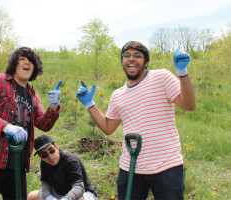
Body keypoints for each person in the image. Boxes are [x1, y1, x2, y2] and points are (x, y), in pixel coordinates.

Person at [76, 41, 196, 200]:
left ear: (146, 62)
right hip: (130, 168)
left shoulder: (162, 77)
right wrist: (89, 104)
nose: (131, 59)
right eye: (127, 55)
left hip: (167, 166)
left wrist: (182, 72)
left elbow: (188, 105)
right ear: (122, 61)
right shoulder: (117, 95)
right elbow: (107, 127)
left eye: (137, 56)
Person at [0, 46, 62, 200]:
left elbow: (44, 124)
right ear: (13, 64)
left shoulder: (32, 94)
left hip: (16, 164)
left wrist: (54, 106)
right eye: (22, 59)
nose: (27, 63)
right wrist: (5, 126)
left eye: (31, 61)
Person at [27, 134, 97, 200]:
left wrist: (67, 198)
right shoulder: (44, 162)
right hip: (58, 192)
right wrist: (49, 197)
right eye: (44, 155)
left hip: (83, 193)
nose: (50, 156)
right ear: (41, 157)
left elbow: (78, 187)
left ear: (56, 147)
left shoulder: (71, 161)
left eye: (51, 150)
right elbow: (45, 182)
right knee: (31, 196)